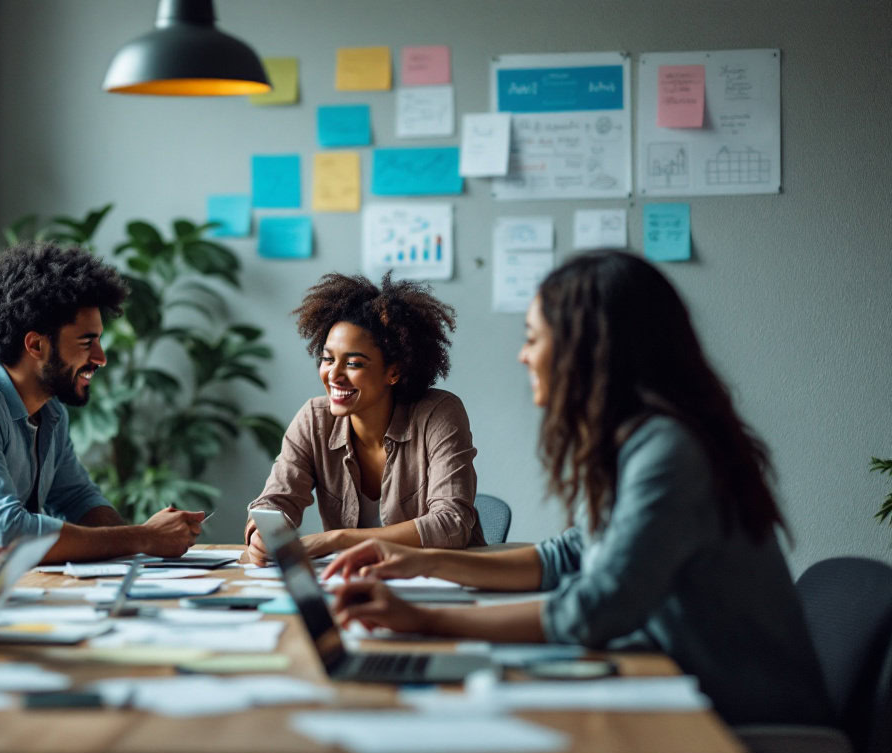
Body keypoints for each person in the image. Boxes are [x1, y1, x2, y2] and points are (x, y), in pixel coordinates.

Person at [322, 251, 832, 727]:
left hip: (742, 721)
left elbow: (596, 608)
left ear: (586, 350)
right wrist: (421, 562)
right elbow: (566, 557)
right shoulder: (634, 440)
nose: (523, 357)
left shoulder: (669, 451)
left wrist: (422, 620)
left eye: (533, 338)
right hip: (679, 689)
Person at [0, 241, 204, 564]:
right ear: (36, 345)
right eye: (86, 342)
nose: (101, 358)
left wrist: (141, 546)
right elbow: (3, 533)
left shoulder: (49, 410)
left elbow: (79, 500)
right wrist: (144, 537)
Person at [245, 273, 482, 565]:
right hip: (352, 583)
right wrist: (261, 533)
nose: (333, 375)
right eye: (328, 359)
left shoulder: (439, 413)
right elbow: (276, 502)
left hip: (440, 581)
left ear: (393, 372)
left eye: (354, 363)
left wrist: (337, 539)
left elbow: (451, 524)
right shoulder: (314, 420)